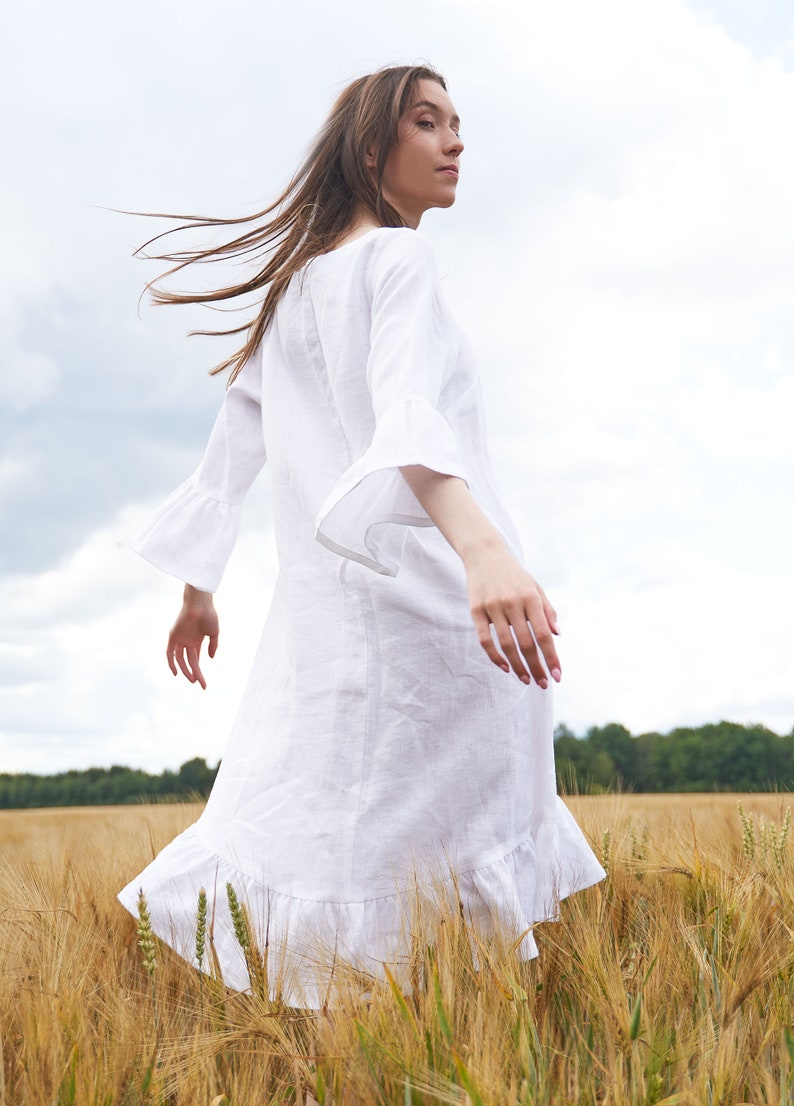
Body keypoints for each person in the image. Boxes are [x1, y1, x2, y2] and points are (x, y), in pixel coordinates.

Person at [118, 64, 607, 1013]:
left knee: (338, 847)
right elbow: (409, 414)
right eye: (429, 123)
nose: (455, 141)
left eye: (459, 122)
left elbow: (236, 437)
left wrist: (197, 586)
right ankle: (425, 1095)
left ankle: (340, 1103)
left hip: (335, 633)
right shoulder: (397, 261)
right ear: (372, 147)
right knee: (427, 886)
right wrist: (483, 550)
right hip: (439, 619)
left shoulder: (296, 291)